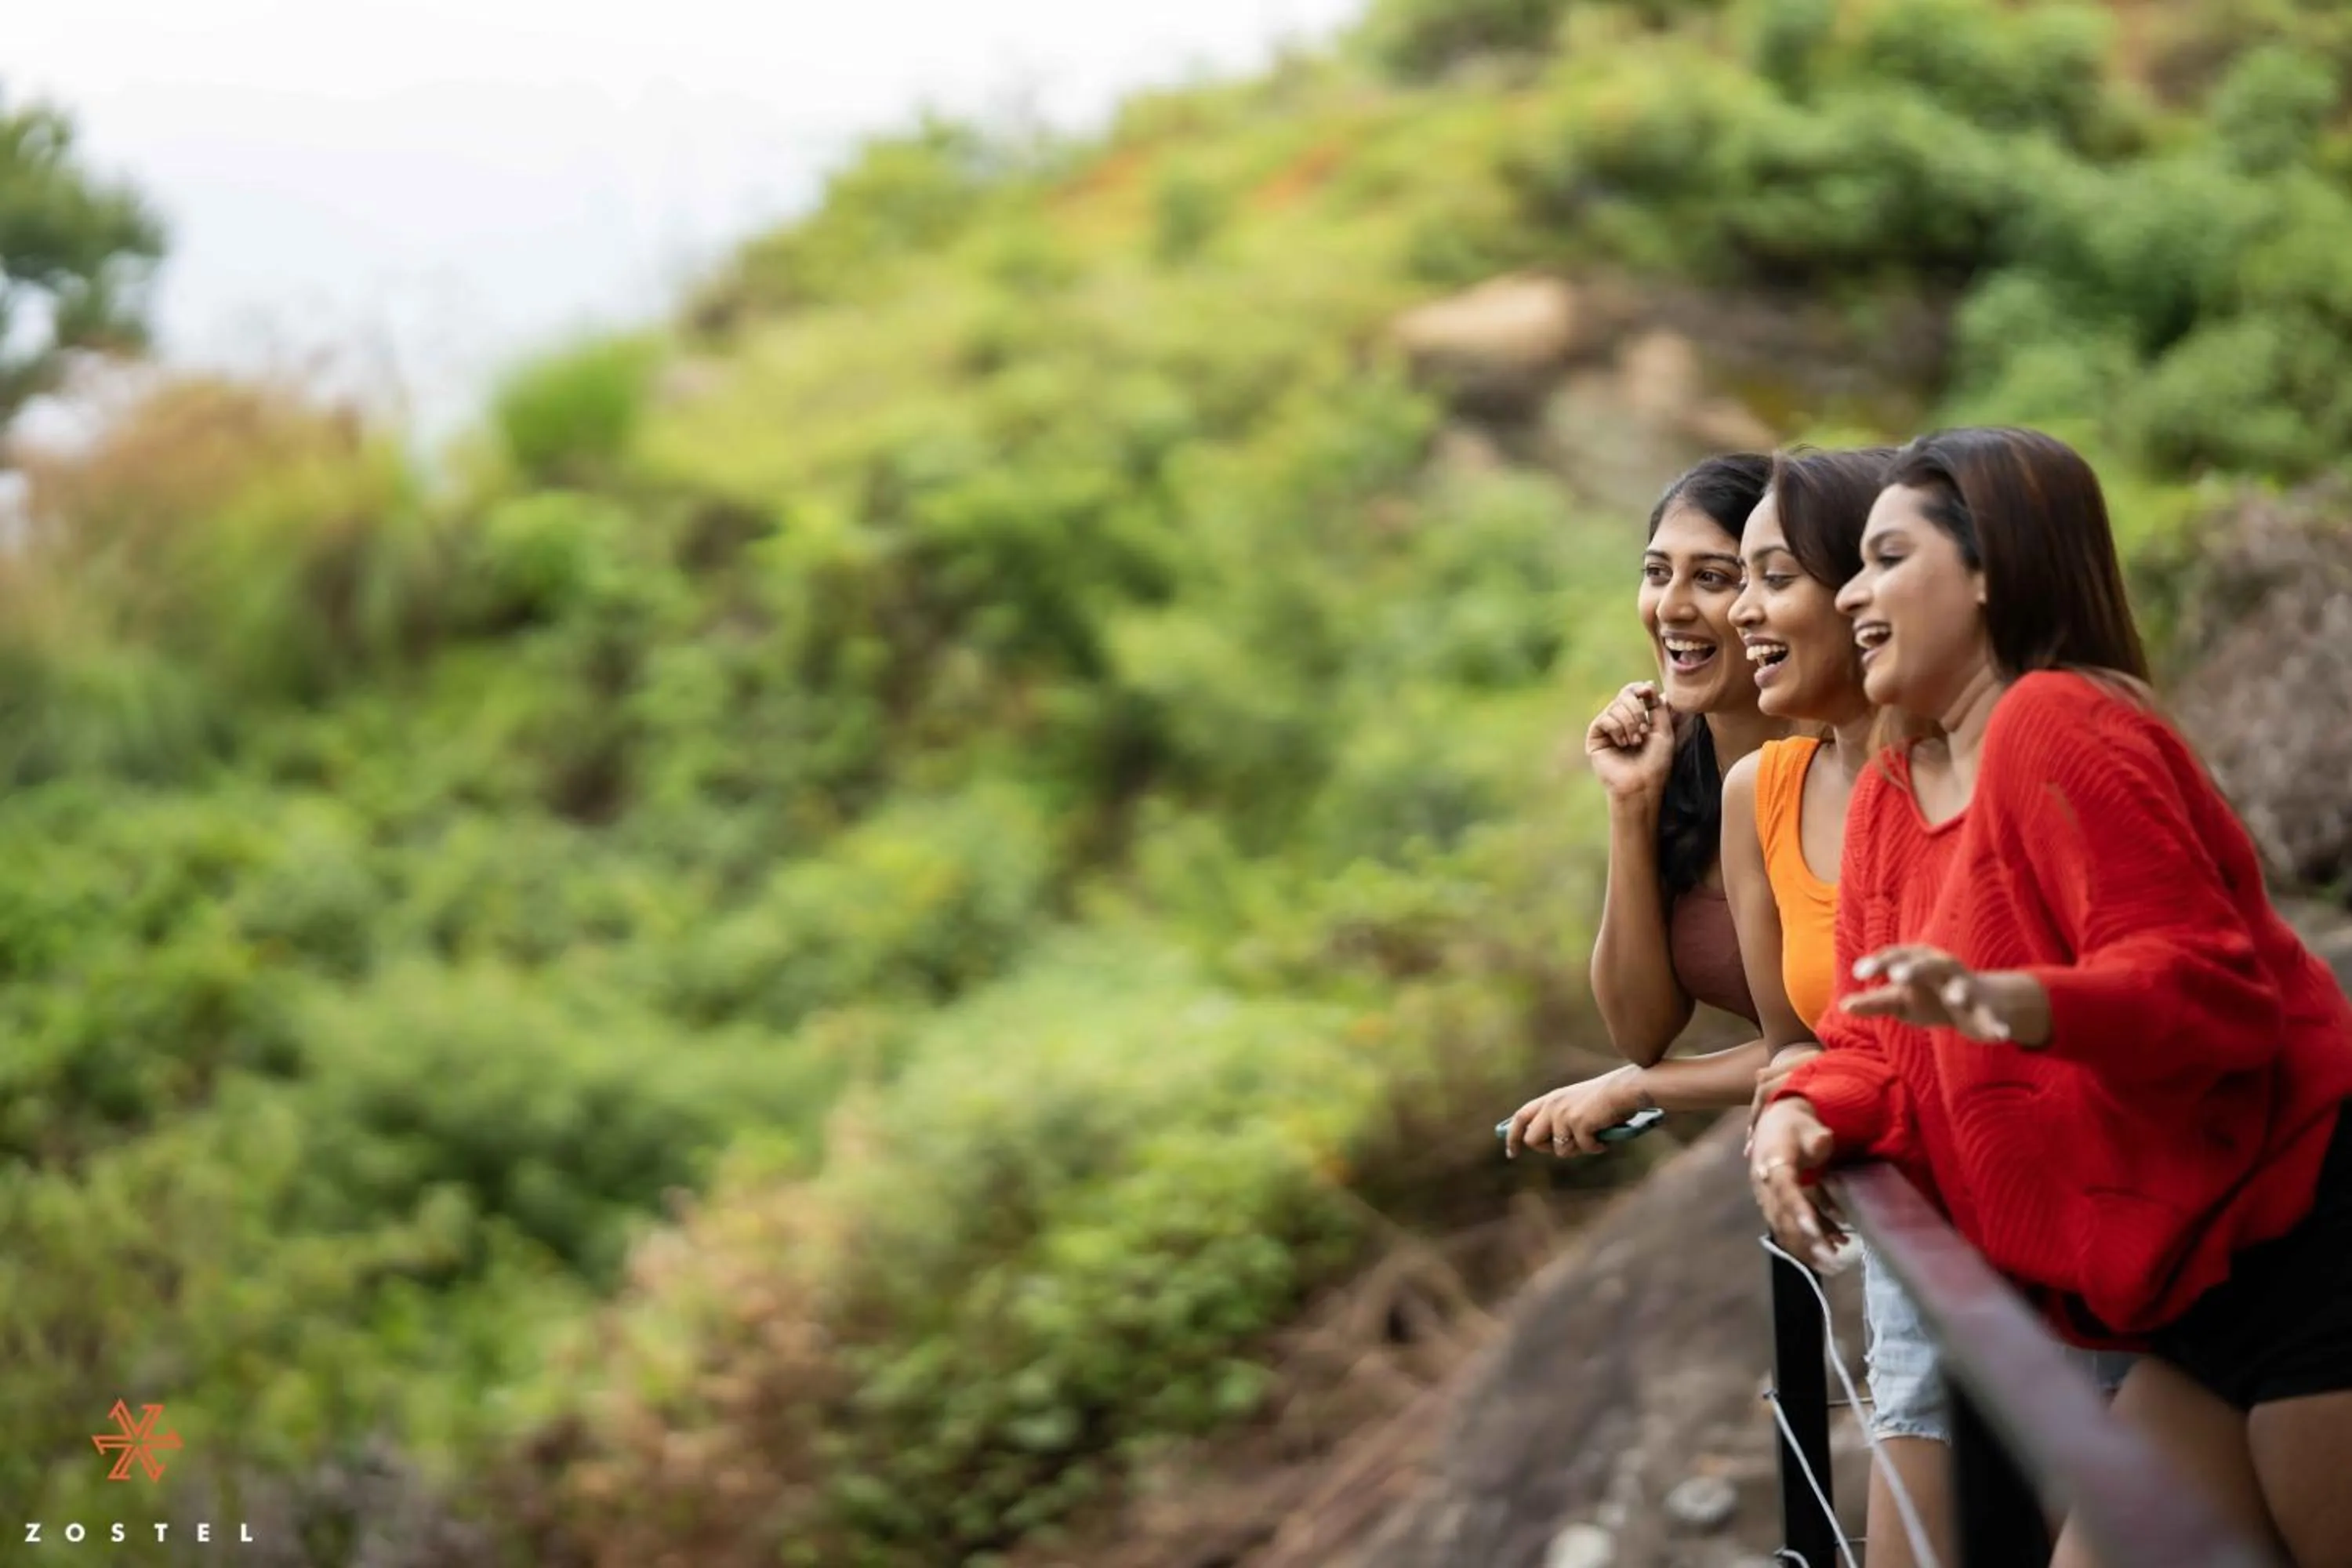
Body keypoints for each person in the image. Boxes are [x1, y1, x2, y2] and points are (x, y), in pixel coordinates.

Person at [1748, 427, 2352, 1566]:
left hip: (2307, 1238)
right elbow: (1869, 1044)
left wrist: (2018, 1003)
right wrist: (1802, 1110)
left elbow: (2214, 992)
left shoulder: (2057, 721)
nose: (1856, 594)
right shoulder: (1889, 788)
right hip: (2192, 1296)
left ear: (1990, 573)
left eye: (1887, 559)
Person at [1508, 453, 1787, 1156]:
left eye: (1714, 578)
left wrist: (1639, 1088)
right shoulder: (1679, 764)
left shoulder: (1846, 767)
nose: (1671, 607)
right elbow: (1640, 1031)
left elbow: (1846, 1041)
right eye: (1658, 572)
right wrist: (1632, 806)